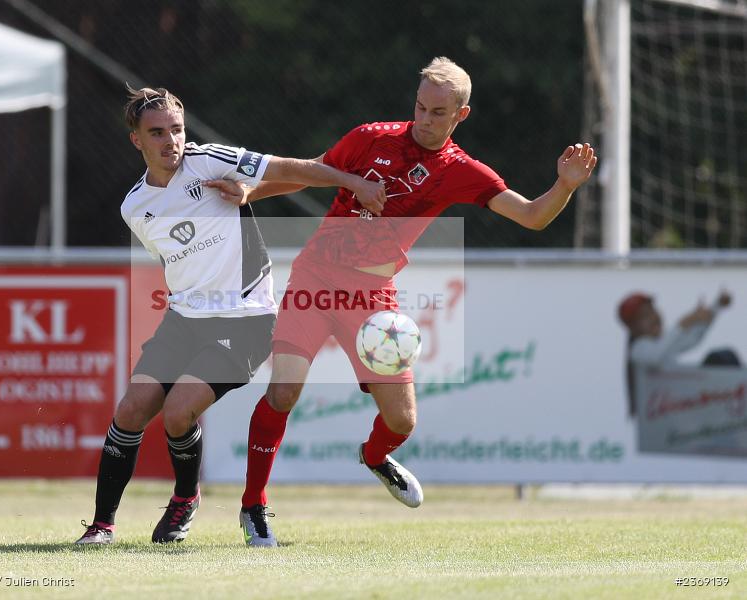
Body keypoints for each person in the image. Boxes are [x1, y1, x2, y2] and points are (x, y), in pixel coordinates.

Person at [215, 57, 597, 547]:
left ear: (462, 114)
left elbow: (532, 217)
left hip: (373, 295)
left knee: (402, 421)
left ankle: (374, 456)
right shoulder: (371, 137)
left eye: (439, 112)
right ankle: (254, 506)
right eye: (420, 106)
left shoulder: (462, 171)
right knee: (285, 391)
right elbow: (313, 174)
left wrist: (564, 185)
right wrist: (252, 190)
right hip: (316, 277)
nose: (425, 118)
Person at [75, 86, 386, 545]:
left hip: (246, 320)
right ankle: (102, 526)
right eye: (157, 132)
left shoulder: (210, 161)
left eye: (177, 129)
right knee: (131, 410)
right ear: (136, 141)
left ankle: (184, 499)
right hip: (184, 319)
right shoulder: (134, 207)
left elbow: (291, 170)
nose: (171, 141)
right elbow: (175, 261)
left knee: (179, 413)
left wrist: (351, 182)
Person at [618, 290, 737, 417]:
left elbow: (693, 338)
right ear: (632, 327)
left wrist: (715, 307)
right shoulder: (638, 350)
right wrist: (685, 322)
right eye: (646, 316)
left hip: (677, 417)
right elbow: (656, 356)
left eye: (653, 311)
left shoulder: (661, 344)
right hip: (660, 425)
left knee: (721, 358)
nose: (654, 317)